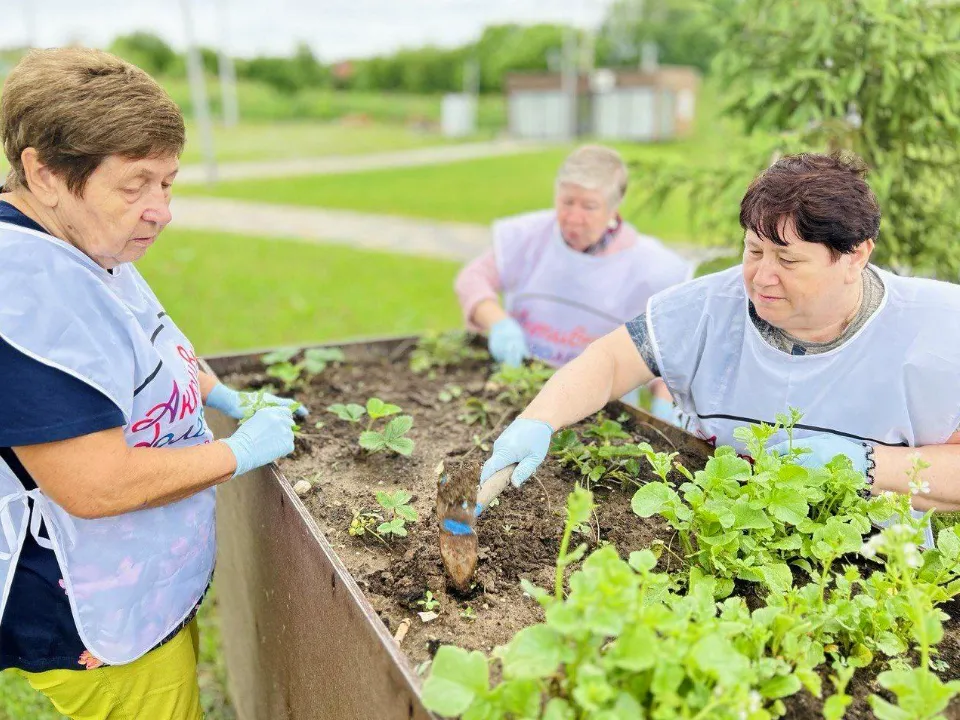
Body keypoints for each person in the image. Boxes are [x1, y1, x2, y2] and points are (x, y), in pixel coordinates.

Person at [0, 48, 302, 719]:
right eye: (135, 185)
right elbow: (95, 485)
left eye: (167, 182)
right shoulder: (22, 293)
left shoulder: (79, 237)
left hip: (141, 577)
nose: (161, 211)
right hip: (91, 609)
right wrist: (239, 450)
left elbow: (150, 342)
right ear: (44, 173)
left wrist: (222, 396)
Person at [479, 152, 960, 546]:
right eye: (754, 250)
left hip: (870, 571)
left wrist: (866, 465)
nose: (762, 277)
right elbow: (608, 361)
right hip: (718, 549)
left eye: (788, 259)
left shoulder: (937, 326)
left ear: (856, 255)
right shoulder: (708, 307)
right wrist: (538, 420)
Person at [454, 144, 691, 419]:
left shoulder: (652, 268)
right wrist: (498, 323)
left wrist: (667, 400)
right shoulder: (528, 237)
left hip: (600, 408)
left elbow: (668, 349)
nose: (574, 218)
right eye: (567, 202)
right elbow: (472, 278)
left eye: (589, 206)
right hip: (522, 386)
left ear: (614, 208)